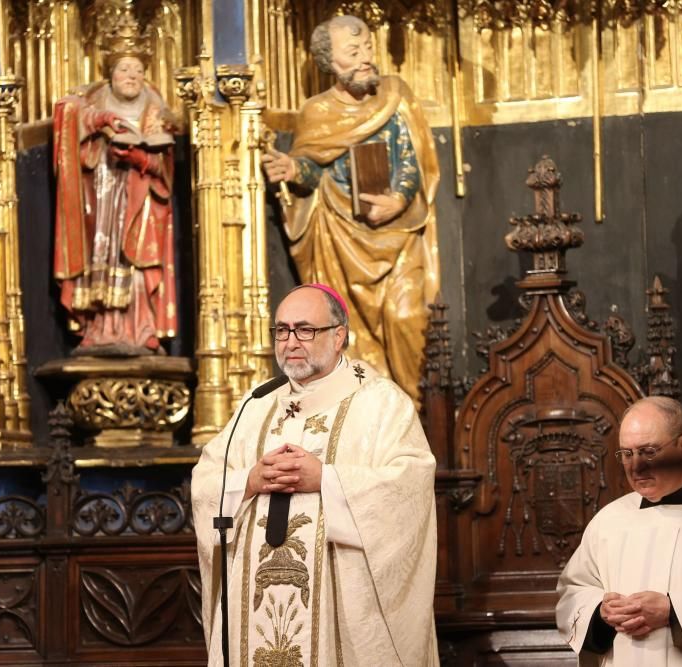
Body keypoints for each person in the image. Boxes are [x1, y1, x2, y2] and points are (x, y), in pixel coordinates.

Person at [191, 284, 439, 665]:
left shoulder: (381, 403)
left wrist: (327, 479)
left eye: (305, 329)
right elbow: (207, 481)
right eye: (282, 330)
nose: (290, 341)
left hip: (344, 616)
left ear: (339, 335)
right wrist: (251, 480)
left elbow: (410, 487)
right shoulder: (255, 404)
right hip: (254, 611)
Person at [261, 15, 440, 402]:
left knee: (407, 317)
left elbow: (412, 159)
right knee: (349, 334)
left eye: (368, 49)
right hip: (340, 238)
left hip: (398, 234)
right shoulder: (317, 112)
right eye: (353, 52)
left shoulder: (395, 95)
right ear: (330, 62)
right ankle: (365, 412)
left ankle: (418, 412)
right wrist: (293, 167)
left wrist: (398, 198)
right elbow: (310, 168)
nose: (365, 58)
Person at [555, 397, 682, 666]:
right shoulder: (610, 520)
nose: (636, 467)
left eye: (648, 451)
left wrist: (673, 611)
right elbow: (573, 591)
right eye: (627, 454)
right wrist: (600, 612)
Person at [52, 18, 177, 355]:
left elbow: (165, 169)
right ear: (111, 73)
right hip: (103, 199)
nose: (132, 76)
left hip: (142, 201)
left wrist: (140, 159)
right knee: (103, 260)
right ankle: (98, 329)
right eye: (124, 69)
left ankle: (143, 328)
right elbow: (68, 114)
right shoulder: (93, 100)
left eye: (137, 70)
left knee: (138, 264)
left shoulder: (156, 108)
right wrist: (101, 121)